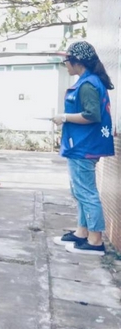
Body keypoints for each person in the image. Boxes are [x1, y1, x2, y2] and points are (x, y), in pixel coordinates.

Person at [52, 41, 114, 256]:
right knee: (80, 191)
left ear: (77, 61)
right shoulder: (89, 81)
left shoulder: (88, 84)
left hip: (84, 147)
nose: (65, 64)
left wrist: (64, 117)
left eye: (66, 60)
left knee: (86, 193)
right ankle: (82, 232)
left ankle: (95, 241)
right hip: (81, 145)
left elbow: (91, 115)